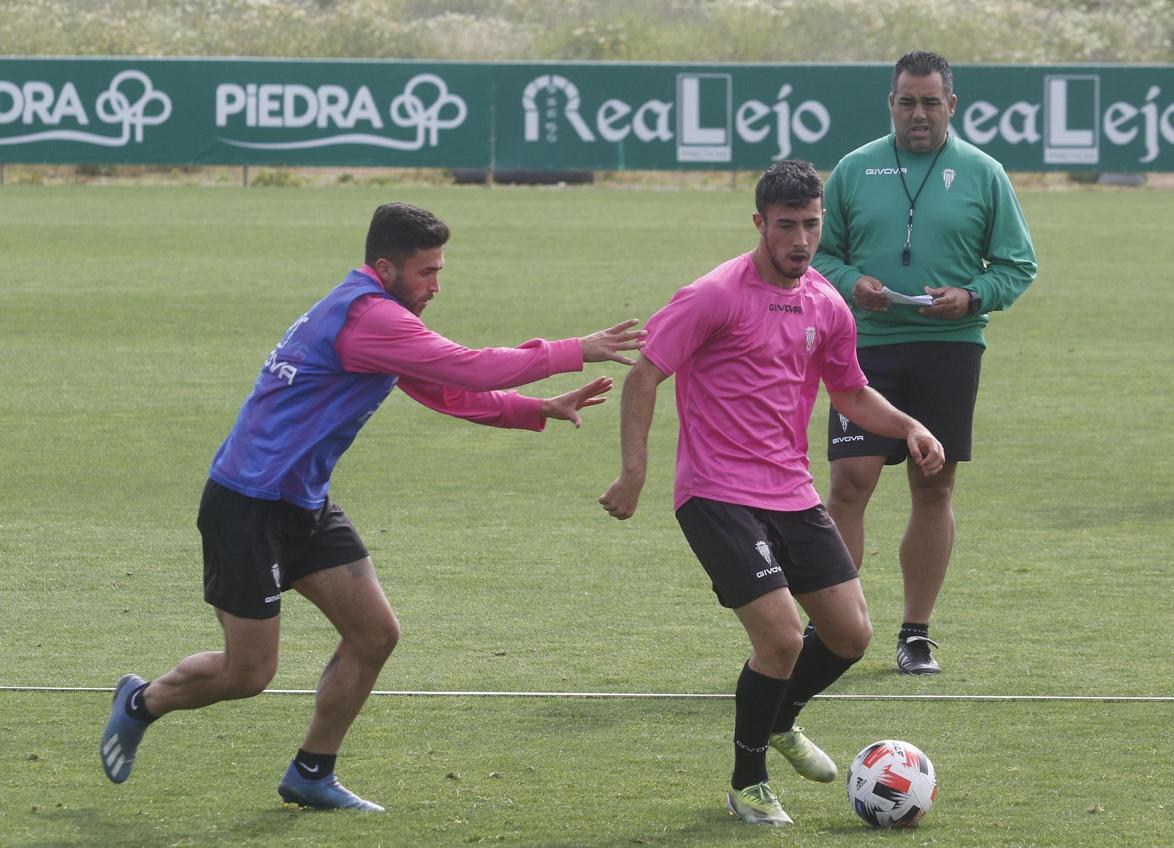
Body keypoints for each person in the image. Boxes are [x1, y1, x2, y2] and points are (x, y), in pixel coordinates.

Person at [100, 201, 647, 811]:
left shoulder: (380, 314)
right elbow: (465, 367)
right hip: (246, 505)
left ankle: (312, 771)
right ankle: (140, 702)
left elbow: (440, 388)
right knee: (248, 675)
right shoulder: (367, 318)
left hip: (300, 502)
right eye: (425, 273)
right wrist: (577, 348)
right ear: (385, 267)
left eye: (440, 271)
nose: (436, 286)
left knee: (374, 634)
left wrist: (534, 409)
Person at [599, 161, 944, 826]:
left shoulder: (825, 302)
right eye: (786, 226)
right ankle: (747, 780)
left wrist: (907, 425)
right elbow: (645, 376)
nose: (800, 239)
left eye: (811, 226)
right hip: (715, 493)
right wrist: (634, 472)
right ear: (759, 223)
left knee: (850, 635)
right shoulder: (711, 295)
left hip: (790, 491)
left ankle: (780, 718)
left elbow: (848, 391)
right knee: (783, 639)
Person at [813, 51, 1037, 675]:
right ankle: (833, 626)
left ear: (951, 106)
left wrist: (970, 297)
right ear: (891, 104)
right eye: (907, 101)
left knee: (932, 485)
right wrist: (853, 282)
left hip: (950, 347)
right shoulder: (855, 170)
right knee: (849, 483)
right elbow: (818, 255)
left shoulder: (983, 173)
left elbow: (1019, 266)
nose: (918, 113)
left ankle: (915, 633)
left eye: (930, 102)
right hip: (865, 347)